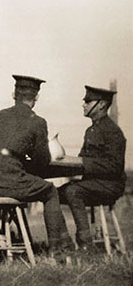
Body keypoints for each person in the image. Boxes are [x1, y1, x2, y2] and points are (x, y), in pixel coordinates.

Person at [0, 75, 73, 260]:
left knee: (5, 191)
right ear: (36, 97)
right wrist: (23, 161)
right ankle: (58, 249)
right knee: (49, 191)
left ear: (13, 94)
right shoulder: (37, 121)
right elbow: (42, 162)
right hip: (3, 180)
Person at [58, 86, 126, 252]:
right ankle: (62, 243)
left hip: (110, 185)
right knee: (51, 193)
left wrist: (81, 162)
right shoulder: (90, 130)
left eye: (88, 101)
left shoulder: (113, 132)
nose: (84, 105)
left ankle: (86, 244)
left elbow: (115, 166)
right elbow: (81, 163)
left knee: (74, 191)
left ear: (102, 105)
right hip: (93, 183)